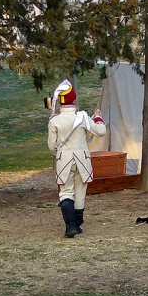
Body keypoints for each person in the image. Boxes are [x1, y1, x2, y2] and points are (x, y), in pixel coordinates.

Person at [47, 80, 106, 238]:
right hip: (82, 160)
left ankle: (70, 225)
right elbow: (100, 131)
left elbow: (52, 146)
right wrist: (98, 117)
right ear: (73, 100)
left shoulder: (54, 121)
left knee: (66, 193)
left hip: (64, 160)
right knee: (80, 192)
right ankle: (77, 224)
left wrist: (59, 154)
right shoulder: (83, 117)